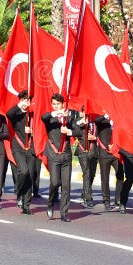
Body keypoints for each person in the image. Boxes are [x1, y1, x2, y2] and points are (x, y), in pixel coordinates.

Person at [41, 93, 79, 222]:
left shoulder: (69, 117)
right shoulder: (50, 118)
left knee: (66, 185)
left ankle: (64, 213)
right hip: (53, 154)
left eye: (58, 104)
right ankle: (50, 203)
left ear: (63, 104)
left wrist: (70, 132)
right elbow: (43, 117)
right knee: (55, 182)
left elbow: (78, 131)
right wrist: (54, 114)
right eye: (54, 104)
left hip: (66, 155)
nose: (56, 106)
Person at [6, 91, 37, 215]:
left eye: (27, 100)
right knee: (23, 171)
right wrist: (20, 105)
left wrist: (32, 131)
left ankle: (26, 205)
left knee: (30, 176)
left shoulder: (33, 113)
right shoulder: (17, 113)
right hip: (18, 147)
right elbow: (9, 114)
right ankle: (19, 191)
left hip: (31, 148)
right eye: (23, 100)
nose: (26, 102)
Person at [92, 114, 124, 210]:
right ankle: (106, 200)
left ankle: (118, 199)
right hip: (104, 153)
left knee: (120, 175)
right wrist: (106, 116)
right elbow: (96, 120)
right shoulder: (102, 120)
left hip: (116, 153)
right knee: (105, 178)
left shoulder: (118, 119)